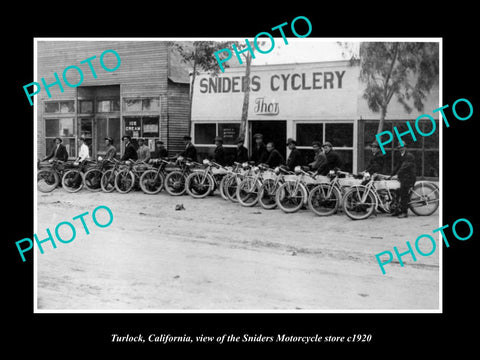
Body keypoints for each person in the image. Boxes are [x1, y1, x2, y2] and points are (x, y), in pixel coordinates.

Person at [390, 143, 416, 218]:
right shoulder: (400, 155)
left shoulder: (409, 156)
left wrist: (397, 175)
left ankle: (404, 212)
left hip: (409, 177)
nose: (400, 149)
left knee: (403, 193)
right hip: (402, 177)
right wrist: (391, 175)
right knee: (396, 192)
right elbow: (398, 166)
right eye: (399, 148)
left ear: (405, 147)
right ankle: (397, 210)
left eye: (402, 147)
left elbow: (404, 167)